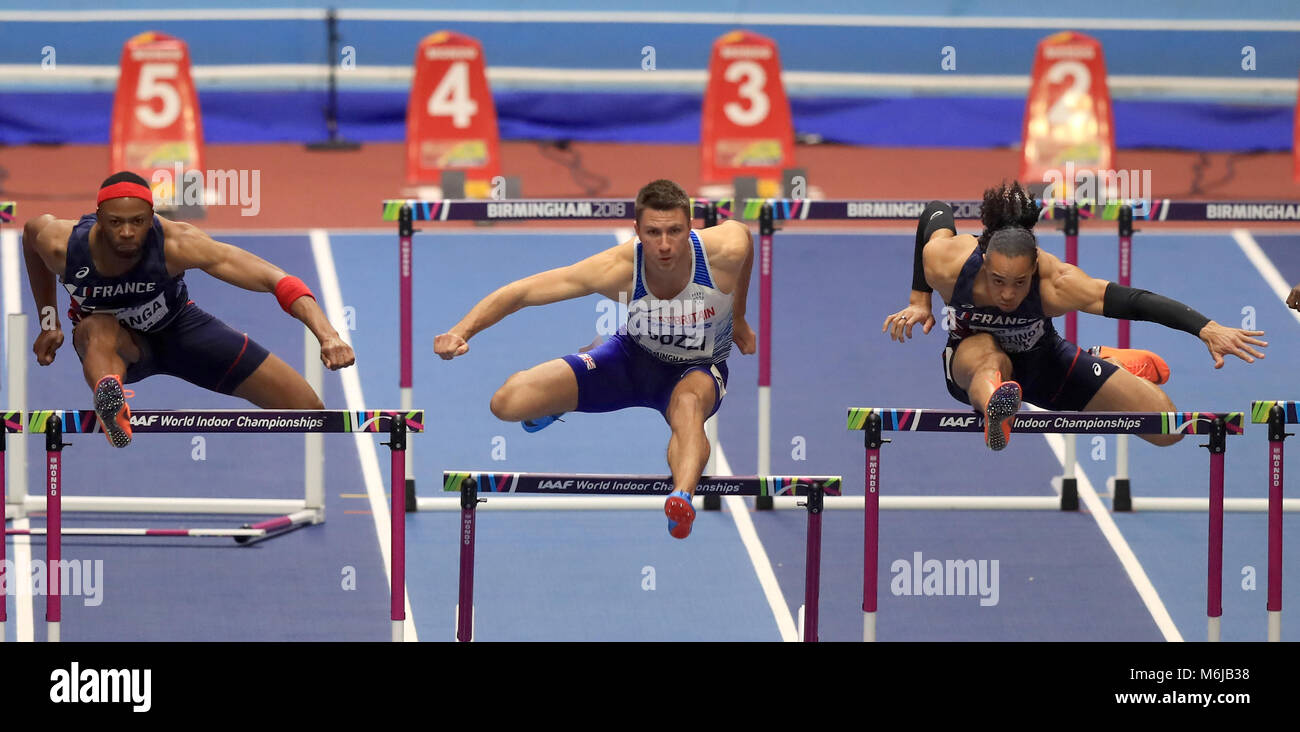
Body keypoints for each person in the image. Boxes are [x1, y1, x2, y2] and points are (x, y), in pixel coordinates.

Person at [434, 179, 755, 539]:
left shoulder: (723, 251)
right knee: (507, 403)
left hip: (697, 368)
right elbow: (521, 293)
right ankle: (558, 401)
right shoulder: (616, 269)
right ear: (637, 231)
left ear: (691, 226)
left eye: (674, 231)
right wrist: (461, 331)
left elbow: (745, 240)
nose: (664, 245)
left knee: (688, 406)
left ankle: (680, 499)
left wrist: (738, 317)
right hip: (632, 359)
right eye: (653, 233)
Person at [883, 181, 1267, 451]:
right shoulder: (948, 263)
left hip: (1046, 363)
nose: (1007, 294)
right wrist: (920, 300)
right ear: (983, 262)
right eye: (998, 280)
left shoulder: (1057, 282)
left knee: (1167, 428)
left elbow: (1132, 301)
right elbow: (936, 210)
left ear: (1035, 268)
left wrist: (1206, 328)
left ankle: (1104, 360)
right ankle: (997, 411)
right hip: (972, 363)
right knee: (987, 353)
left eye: (1019, 283)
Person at [22, 171, 354, 447]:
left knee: (309, 412)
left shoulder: (178, 243)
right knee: (97, 326)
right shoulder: (62, 246)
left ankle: (112, 394)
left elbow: (273, 279)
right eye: (115, 222)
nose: (126, 232)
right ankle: (111, 401)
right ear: (99, 218)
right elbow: (29, 235)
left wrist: (329, 336)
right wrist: (49, 320)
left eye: (137, 221)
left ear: (152, 217)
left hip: (181, 329)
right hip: (116, 347)